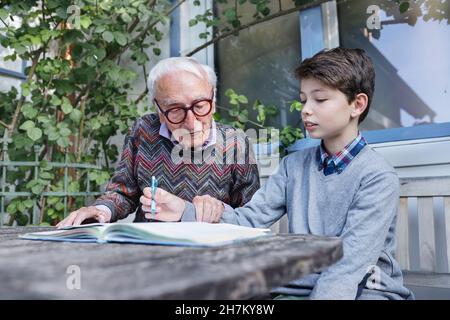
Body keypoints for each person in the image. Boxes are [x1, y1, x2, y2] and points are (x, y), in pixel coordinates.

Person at [139, 48, 414, 300]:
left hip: (365, 288)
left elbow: (349, 264)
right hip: (303, 282)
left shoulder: (377, 177)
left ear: (357, 105)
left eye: (320, 99)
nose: (306, 110)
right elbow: (249, 218)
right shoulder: (293, 166)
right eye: (304, 99)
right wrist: (181, 210)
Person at [57, 57, 260, 228]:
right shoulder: (144, 130)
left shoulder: (236, 143)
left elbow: (253, 216)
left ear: (213, 102)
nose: (190, 122)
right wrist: (100, 210)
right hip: (149, 249)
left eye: (200, 105)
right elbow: (123, 192)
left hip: (211, 252)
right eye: (175, 110)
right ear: (159, 110)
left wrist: (222, 210)